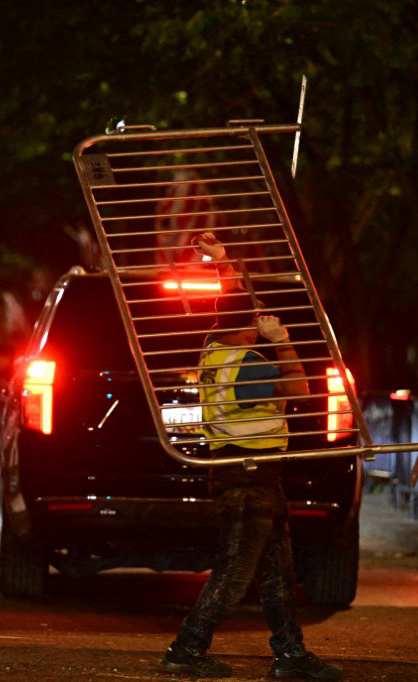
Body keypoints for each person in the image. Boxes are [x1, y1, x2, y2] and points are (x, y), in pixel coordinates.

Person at [159, 233, 342, 680]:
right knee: (235, 573)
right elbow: (300, 392)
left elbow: (238, 299)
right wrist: (282, 340)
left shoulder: (215, 351)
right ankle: (187, 646)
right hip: (250, 479)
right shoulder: (249, 362)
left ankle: (290, 653)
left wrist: (223, 261)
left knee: (278, 574)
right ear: (252, 323)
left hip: (250, 476)